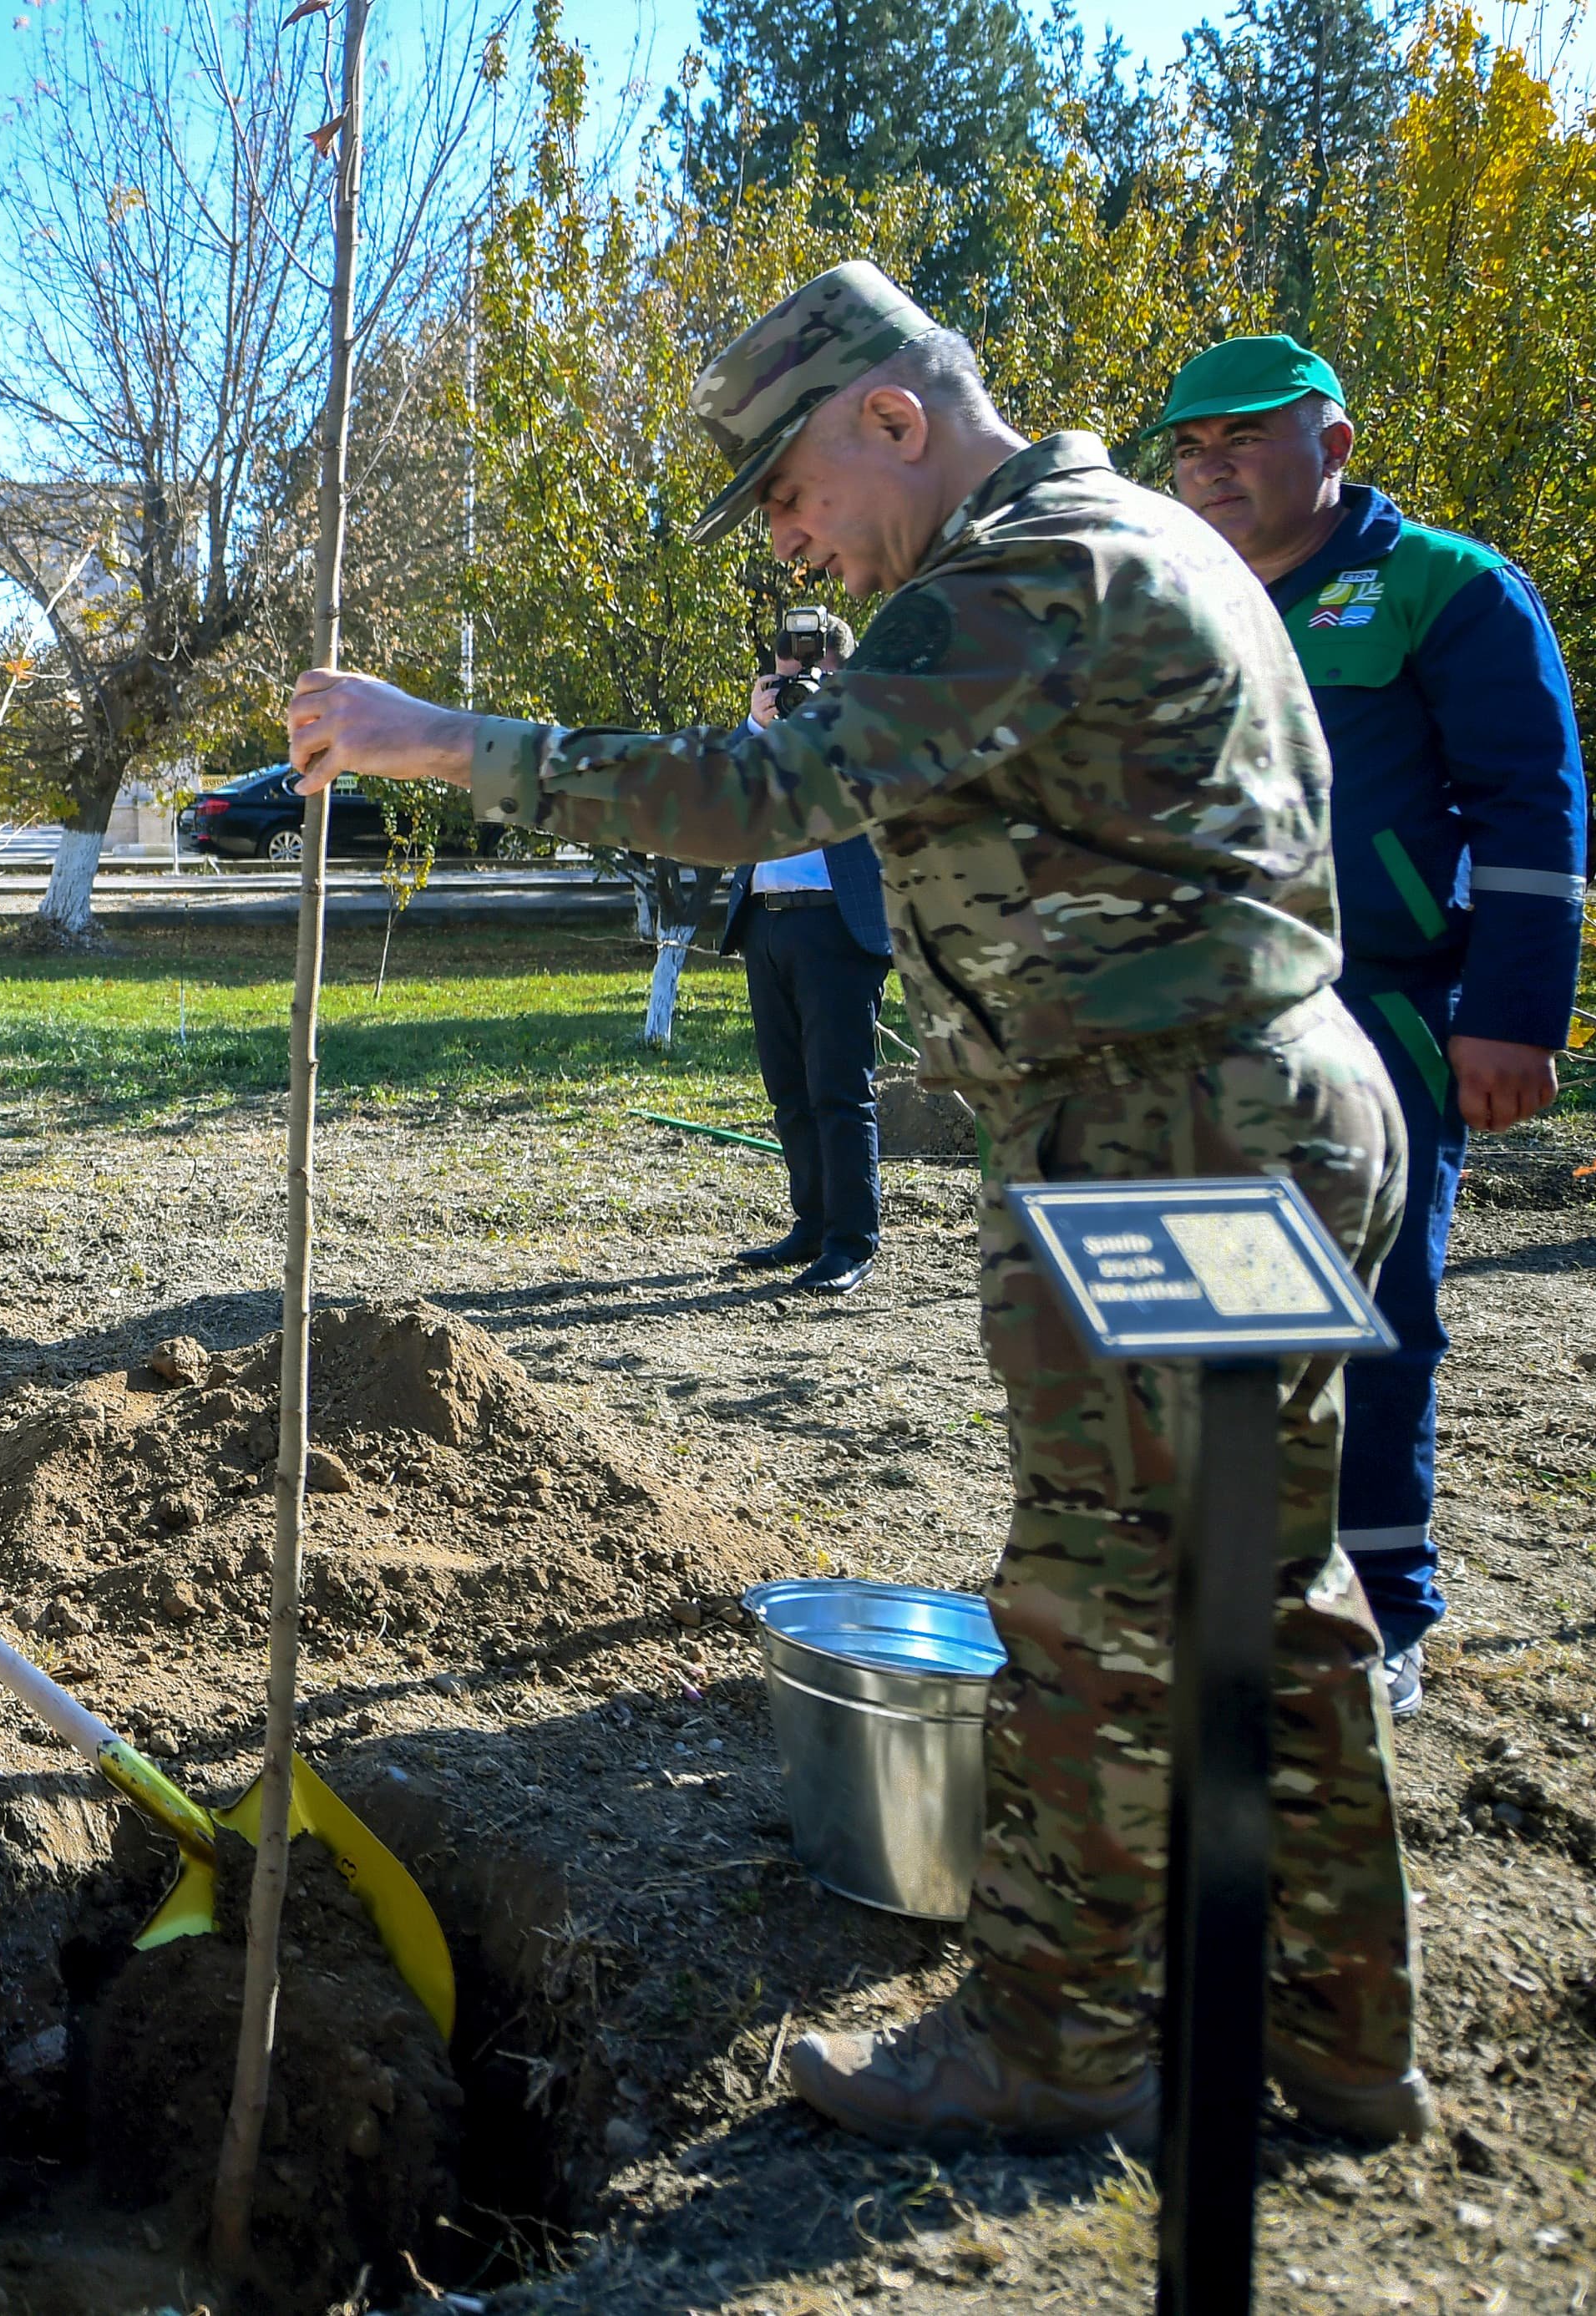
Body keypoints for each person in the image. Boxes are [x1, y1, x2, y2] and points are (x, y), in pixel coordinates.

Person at [284, 261, 1426, 2151]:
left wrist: (448, 741)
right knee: (1260, 1593)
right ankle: (1336, 2026)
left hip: (1164, 1132)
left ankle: (1052, 2042)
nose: (792, 546)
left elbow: (772, 788)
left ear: (890, 416)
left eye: (793, 497)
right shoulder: (1109, 543)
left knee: (1094, 1594)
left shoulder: (1031, 568)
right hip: (1245, 1106)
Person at [1158, 335, 1588, 1716]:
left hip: (1390, 1012)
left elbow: (1532, 810)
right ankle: (1232, 1575)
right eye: (1188, 447)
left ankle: (1383, 1607)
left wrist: (1516, 1016)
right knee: (1217, 1299)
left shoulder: (1445, 589)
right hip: (1210, 1019)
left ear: (1333, 443)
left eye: (1245, 439)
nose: (1211, 468)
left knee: (1375, 1310)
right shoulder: (1180, 599)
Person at [715, 608, 891, 1296]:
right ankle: (812, 1226)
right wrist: (759, 723)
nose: (798, 688)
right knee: (788, 1089)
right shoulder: (765, 731)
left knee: (839, 1091)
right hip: (766, 921)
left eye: (812, 676)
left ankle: (852, 1242)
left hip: (837, 927)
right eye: (787, 677)